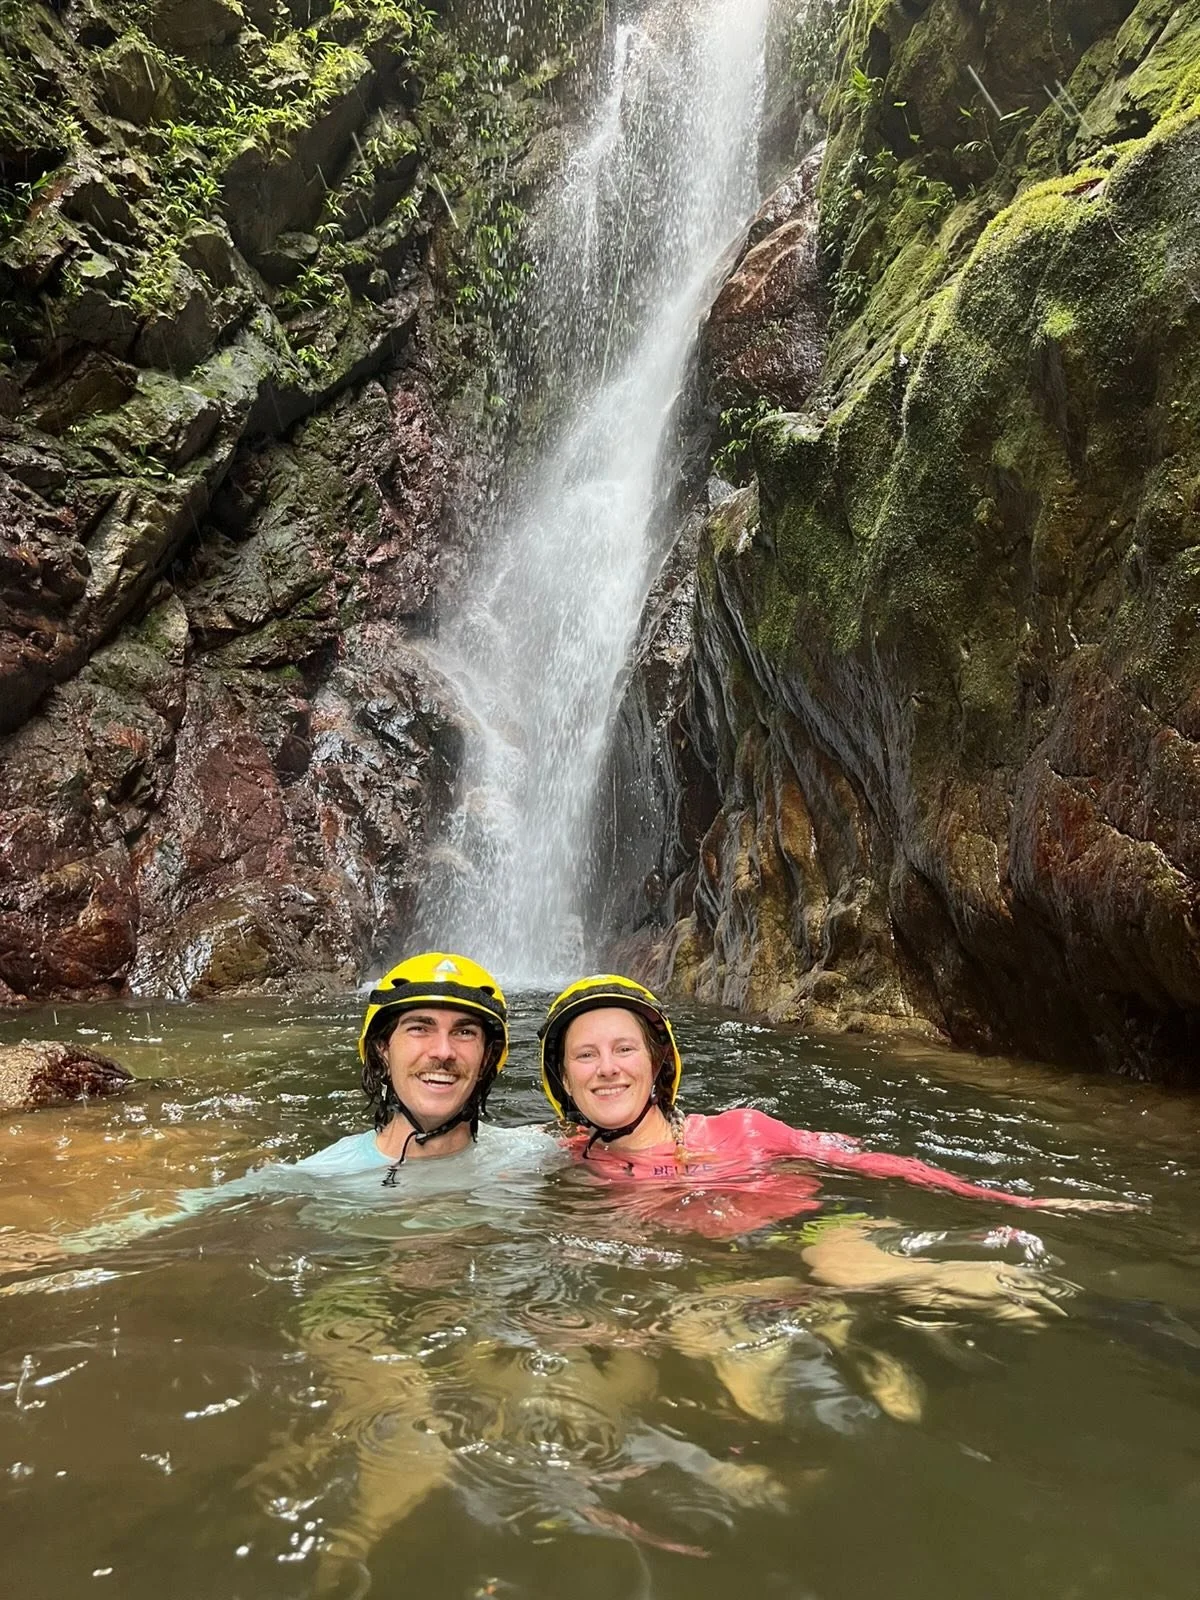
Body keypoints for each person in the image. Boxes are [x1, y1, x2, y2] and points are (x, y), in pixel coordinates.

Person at [537, 973, 1132, 1216]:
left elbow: (869, 1162)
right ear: (563, 1080)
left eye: (624, 1049)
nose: (607, 1069)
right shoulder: (564, 1160)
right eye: (585, 1055)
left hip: (804, 1248)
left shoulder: (742, 1130)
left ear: (657, 1061)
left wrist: (1018, 1202)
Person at [297, 950, 512, 1182]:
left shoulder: (533, 1158)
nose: (443, 1051)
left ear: (487, 1058)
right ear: (383, 1050)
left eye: (464, 1032)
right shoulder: (319, 1178)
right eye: (419, 1028)